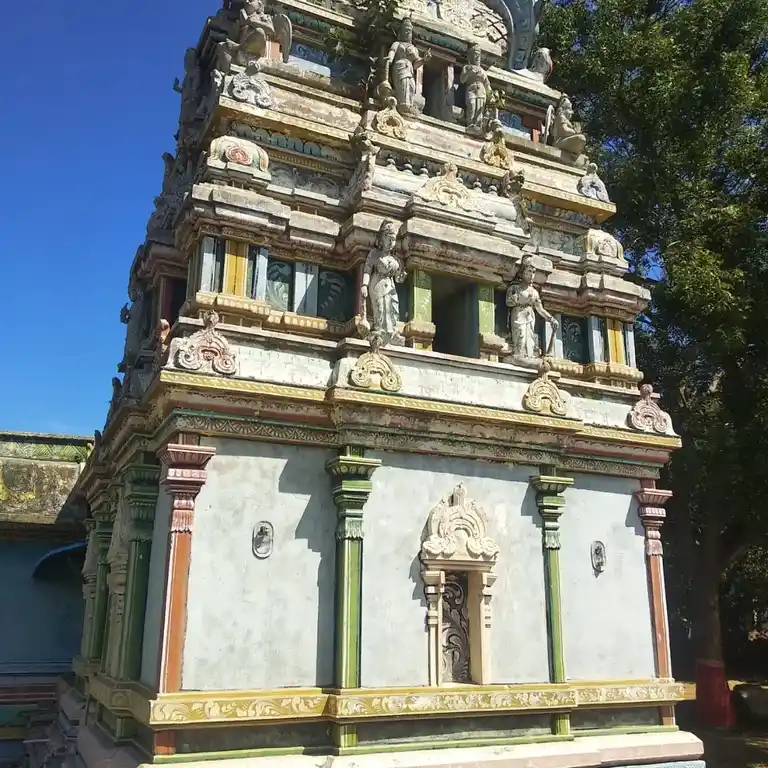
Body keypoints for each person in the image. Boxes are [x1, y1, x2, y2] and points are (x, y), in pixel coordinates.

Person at [361, 220, 406, 350]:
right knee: (380, 308)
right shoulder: (375, 254)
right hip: (378, 284)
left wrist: (401, 276)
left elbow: (398, 278)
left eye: (393, 239)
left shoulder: (395, 259)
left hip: (390, 286)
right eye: (388, 238)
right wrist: (364, 285)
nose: (391, 242)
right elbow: (367, 269)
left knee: (392, 308)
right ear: (381, 238)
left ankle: (391, 332)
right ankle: (379, 331)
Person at [506, 256, 558, 360]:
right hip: (518, 315)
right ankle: (518, 355)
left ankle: (527, 356)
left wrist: (551, 319)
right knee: (520, 336)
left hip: (529, 317)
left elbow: (540, 309)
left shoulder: (534, 292)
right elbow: (508, 302)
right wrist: (516, 300)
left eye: (533, 272)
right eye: (529, 271)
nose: (531, 275)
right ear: (521, 273)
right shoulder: (514, 288)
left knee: (529, 339)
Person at [387, 18, 430, 114]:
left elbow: (416, 65)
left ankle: (408, 104)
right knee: (403, 84)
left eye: (409, 31)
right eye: (405, 30)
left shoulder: (414, 48)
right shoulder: (397, 44)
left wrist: (424, 60)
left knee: (411, 85)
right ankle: (402, 103)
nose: (407, 33)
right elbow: (392, 52)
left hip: (410, 69)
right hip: (400, 65)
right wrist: (389, 59)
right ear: (401, 32)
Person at [460, 45, 491, 136]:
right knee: (472, 105)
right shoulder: (467, 67)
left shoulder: (483, 71)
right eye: (475, 54)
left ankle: (478, 126)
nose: (477, 57)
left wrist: (491, 95)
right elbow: (462, 80)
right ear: (471, 56)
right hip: (471, 88)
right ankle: (470, 124)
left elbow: (487, 84)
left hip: (481, 90)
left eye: (479, 55)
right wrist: (469, 73)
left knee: (479, 108)